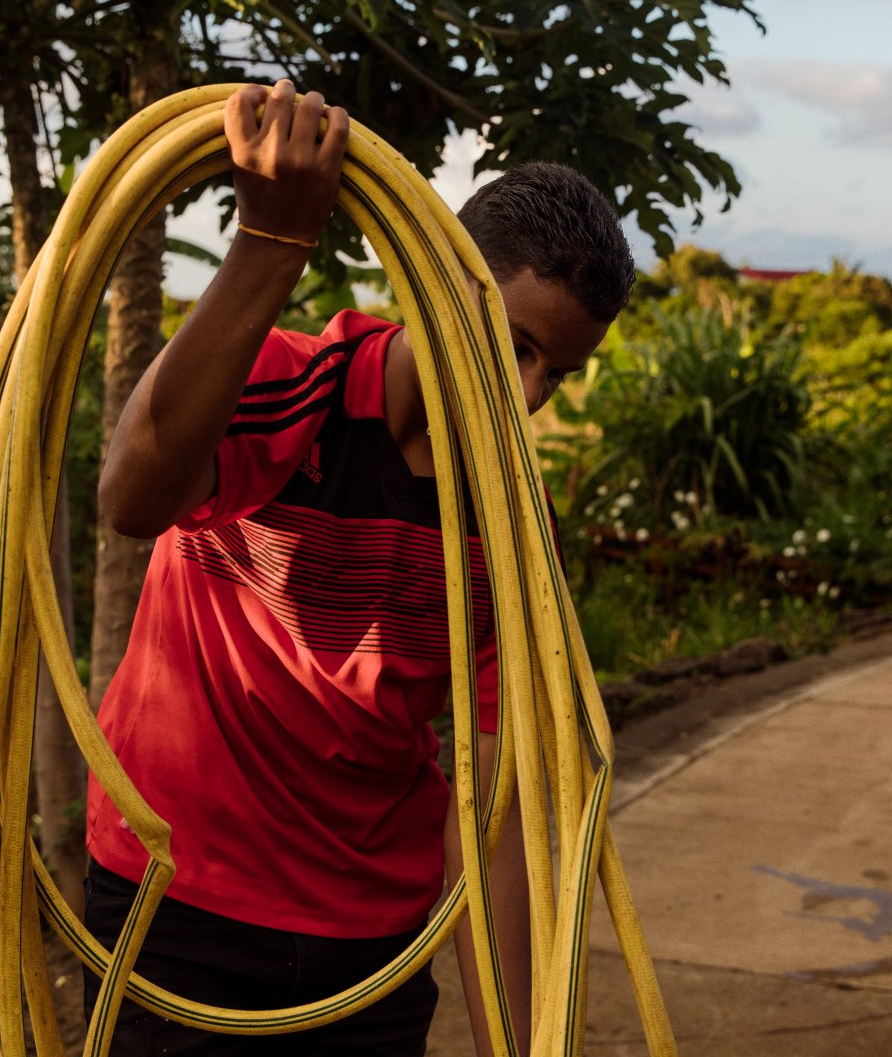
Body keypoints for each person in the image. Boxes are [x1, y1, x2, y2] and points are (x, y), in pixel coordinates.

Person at [82, 78, 635, 1056]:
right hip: (180, 910)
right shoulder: (283, 386)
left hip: (372, 947)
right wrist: (271, 241)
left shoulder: (510, 521)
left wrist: (521, 1043)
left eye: (559, 369)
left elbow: (492, 803)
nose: (532, 392)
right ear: (436, 282)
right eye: (514, 347)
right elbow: (131, 496)